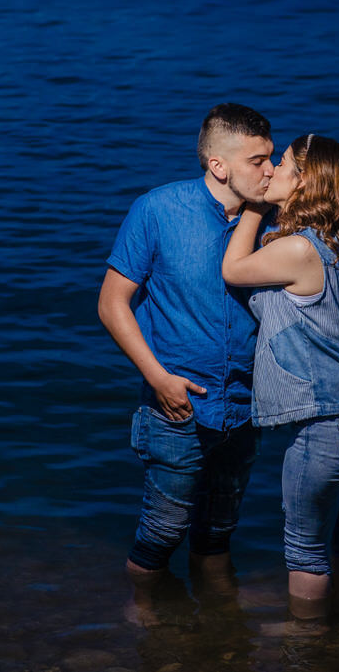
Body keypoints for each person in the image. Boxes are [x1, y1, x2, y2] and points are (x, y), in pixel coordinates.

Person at [98, 103, 275, 622]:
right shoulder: (157, 210)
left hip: (245, 408)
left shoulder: (273, 220)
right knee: (161, 532)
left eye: (272, 157)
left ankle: (220, 620)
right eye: (258, 160)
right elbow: (112, 303)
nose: (271, 170)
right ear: (219, 165)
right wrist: (158, 379)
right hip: (176, 406)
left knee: (219, 532)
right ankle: (142, 618)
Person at [221, 133, 339, 621]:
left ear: (304, 182)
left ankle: (309, 645)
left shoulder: (296, 250)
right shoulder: (334, 243)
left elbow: (232, 269)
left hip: (326, 423)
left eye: (284, 164)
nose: (271, 170)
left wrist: (252, 207)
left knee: (304, 550)